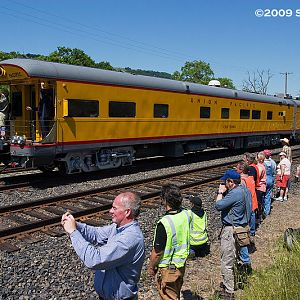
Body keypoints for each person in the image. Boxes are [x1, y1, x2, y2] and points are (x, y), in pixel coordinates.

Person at [61, 192, 145, 300]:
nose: (110, 211)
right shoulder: (117, 227)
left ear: (127, 212)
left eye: (114, 208)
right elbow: (96, 234)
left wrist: (73, 232)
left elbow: (95, 259)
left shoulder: (130, 238)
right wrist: (75, 225)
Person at [148, 183, 191, 300]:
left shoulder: (164, 223)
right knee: (175, 293)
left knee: (168, 296)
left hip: (168, 268)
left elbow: (157, 252)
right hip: (181, 264)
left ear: (164, 200)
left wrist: (151, 267)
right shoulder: (187, 214)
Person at [215, 170, 252, 299]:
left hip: (230, 230)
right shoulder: (245, 190)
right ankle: (234, 281)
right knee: (235, 257)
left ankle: (229, 291)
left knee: (226, 260)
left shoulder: (234, 194)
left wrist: (220, 192)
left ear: (230, 182)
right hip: (241, 229)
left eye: (225, 181)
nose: (224, 184)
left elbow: (218, 205)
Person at [236, 161, 258, 244]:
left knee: (249, 217)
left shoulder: (242, 180)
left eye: (237, 168)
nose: (236, 169)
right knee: (252, 215)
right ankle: (252, 231)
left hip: (248, 202)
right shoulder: (250, 177)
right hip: (253, 200)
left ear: (241, 170)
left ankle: (249, 233)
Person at [262, 150, 277, 216]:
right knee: (268, 195)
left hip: (263, 180)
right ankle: (267, 211)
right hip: (270, 179)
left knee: (262, 195)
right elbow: (274, 171)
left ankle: (262, 210)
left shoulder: (261, 163)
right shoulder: (273, 162)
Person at [255, 152, 266, 222]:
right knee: (260, 202)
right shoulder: (263, 166)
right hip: (262, 186)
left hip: (259, 187)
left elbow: (258, 177)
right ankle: (260, 216)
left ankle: (258, 217)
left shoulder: (259, 167)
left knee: (258, 203)